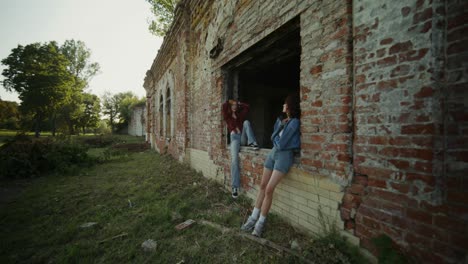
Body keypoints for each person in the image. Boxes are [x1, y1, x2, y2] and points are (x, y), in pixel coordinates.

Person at [240, 94, 301, 237]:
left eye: (285, 103)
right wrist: (280, 126)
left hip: (284, 156)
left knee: (268, 189)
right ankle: (252, 218)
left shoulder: (294, 123)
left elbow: (282, 142)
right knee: (262, 186)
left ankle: (260, 223)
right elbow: (272, 137)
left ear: (289, 106)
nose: (283, 106)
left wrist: (278, 135)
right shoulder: (283, 121)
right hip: (273, 154)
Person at [222, 99, 259, 199]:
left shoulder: (239, 115)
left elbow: (247, 106)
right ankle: (234, 187)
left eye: (235, 105)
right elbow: (224, 106)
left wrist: (239, 103)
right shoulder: (227, 116)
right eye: (232, 105)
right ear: (230, 107)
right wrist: (229, 101)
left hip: (242, 137)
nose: (234, 106)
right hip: (234, 139)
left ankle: (252, 143)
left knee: (246, 122)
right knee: (234, 159)